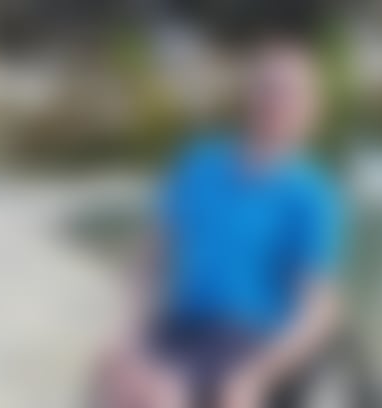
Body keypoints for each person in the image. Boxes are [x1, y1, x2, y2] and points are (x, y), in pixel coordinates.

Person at [96, 37, 349, 408]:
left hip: (246, 335)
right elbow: (148, 258)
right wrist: (129, 336)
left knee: (164, 396)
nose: (276, 103)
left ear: (312, 111)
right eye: (267, 90)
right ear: (249, 97)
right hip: (181, 325)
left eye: (291, 95)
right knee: (119, 379)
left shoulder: (311, 196)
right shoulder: (199, 165)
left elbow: (320, 308)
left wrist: (258, 373)